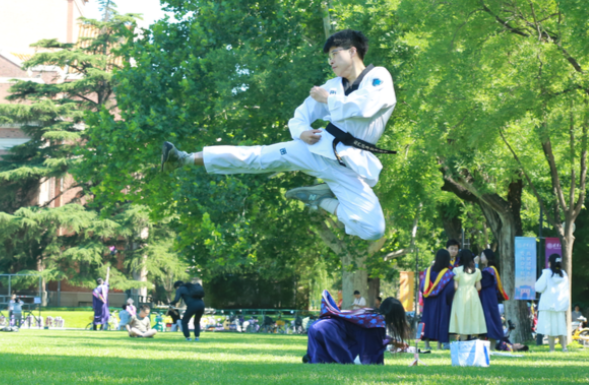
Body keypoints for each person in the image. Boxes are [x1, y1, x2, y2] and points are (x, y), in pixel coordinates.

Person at [162, 30, 396, 242]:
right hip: (316, 149)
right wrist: (301, 132)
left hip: (349, 165)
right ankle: (182, 158)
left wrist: (328, 100)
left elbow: (365, 107)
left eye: (335, 54)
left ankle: (320, 199)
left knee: (373, 229)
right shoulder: (332, 85)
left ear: (353, 51)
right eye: (329, 57)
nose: (331, 61)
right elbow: (300, 115)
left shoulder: (378, 77)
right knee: (258, 157)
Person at [304, 291, 411, 365]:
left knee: (320, 363)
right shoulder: (377, 322)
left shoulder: (371, 315)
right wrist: (377, 364)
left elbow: (374, 337)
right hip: (328, 330)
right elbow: (373, 347)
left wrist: (392, 341)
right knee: (343, 363)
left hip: (317, 326)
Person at [535, 253, 570, 351]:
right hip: (560, 306)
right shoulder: (564, 275)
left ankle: (552, 349)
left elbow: (538, 287)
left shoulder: (547, 273)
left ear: (550, 263)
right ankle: (564, 348)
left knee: (549, 328)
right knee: (560, 327)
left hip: (547, 305)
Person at [421, 249, 454, 349]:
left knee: (427, 320)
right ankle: (439, 345)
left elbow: (422, 287)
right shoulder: (447, 273)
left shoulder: (428, 271)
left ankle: (427, 344)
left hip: (429, 301)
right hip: (441, 301)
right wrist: (449, 300)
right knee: (441, 321)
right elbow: (450, 289)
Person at [449, 249, 486, 339]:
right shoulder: (477, 271)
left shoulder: (456, 270)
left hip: (460, 295)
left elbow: (455, 286)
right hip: (473, 294)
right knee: (473, 315)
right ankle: (474, 338)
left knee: (462, 316)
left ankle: (463, 339)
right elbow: (479, 287)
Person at [478, 249, 511, 348]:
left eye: (483, 255)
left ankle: (491, 347)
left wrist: (475, 266)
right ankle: (488, 347)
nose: (481, 258)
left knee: (489, 321)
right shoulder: (489, 269)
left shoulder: (489, 271)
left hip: (488, 299)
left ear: (488, 257)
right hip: (489, 298)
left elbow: (481, 283)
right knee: (488, 321)